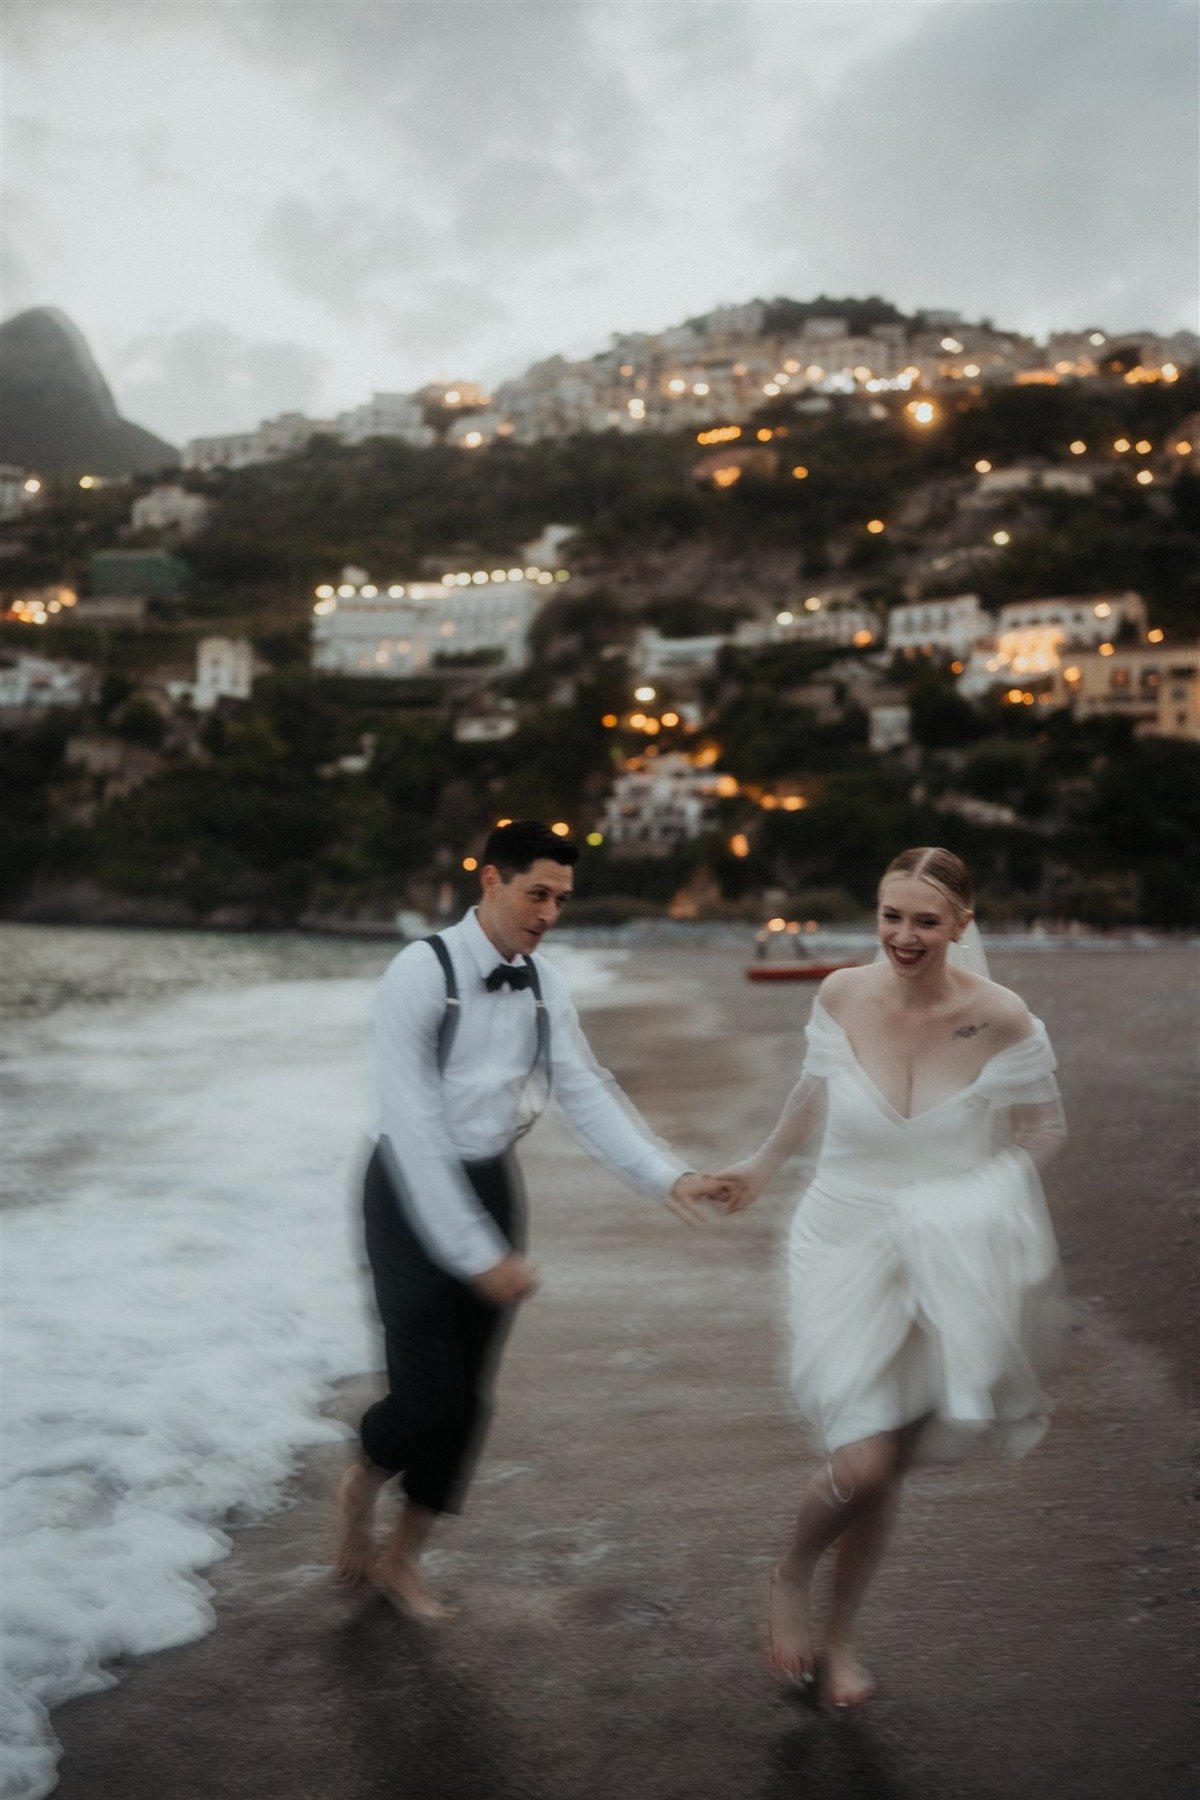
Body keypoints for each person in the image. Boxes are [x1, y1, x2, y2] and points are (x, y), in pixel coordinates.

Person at [335, 819, 732, 1619]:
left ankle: (402, 1558)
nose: (550, 913)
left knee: (470, 1398)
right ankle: (360, 1483)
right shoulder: (420, 973)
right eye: (536, 894)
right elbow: (410, 1128)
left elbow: (583, 1092)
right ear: (491, 880)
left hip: (489, 1183)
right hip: (406, 1193)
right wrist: (475, 1254)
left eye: (562, 899)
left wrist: (667, 1175)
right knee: (426, 1397)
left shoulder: (545, 985)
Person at [717, 846, 1066, 1708]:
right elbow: (812, 1090)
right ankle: (791, 1574)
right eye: (890, 916)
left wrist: (978, 1199)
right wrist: (760, 1169)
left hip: (942, 1251)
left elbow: (1046, 1128)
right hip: (840, 1238)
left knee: (889, 1459)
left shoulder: (1001, 1015)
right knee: (862, 1462)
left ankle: (839, 1644)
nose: (904, 936)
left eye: (925, 920)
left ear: (962, 926)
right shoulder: (841, 993)